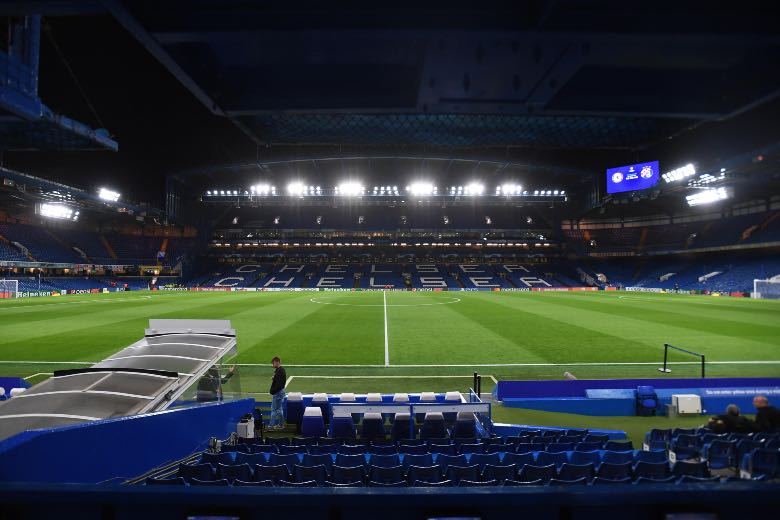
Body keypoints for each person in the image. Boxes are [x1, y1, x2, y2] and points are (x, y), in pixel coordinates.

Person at [268, 356, 287, 430]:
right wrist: (274, 378)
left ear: (277, 362)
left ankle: (271, 426)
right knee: (279, 409)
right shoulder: (281, 370)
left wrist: (272, 391)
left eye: (273, 363)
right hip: (281, 392)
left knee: (274, 409)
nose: (272, 365)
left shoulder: (279, 371)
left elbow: (278, 385)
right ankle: (281, 424)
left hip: (277, 393)